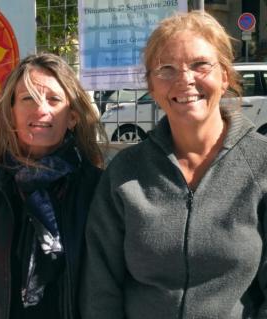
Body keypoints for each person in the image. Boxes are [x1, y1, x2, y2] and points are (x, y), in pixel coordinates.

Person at [80, 10, 267, 319]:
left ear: (225, 76)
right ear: (151, 88)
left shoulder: (261, 166)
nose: (185, 79)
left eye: (200, 65)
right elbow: (101, 289)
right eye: (166, 69)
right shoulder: (125, 174)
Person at [0, 52, 107, 319]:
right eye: (28, 98)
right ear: (11, 111)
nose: (41, 109)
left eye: (54, 99)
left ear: (72, 117)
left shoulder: (97, 190)